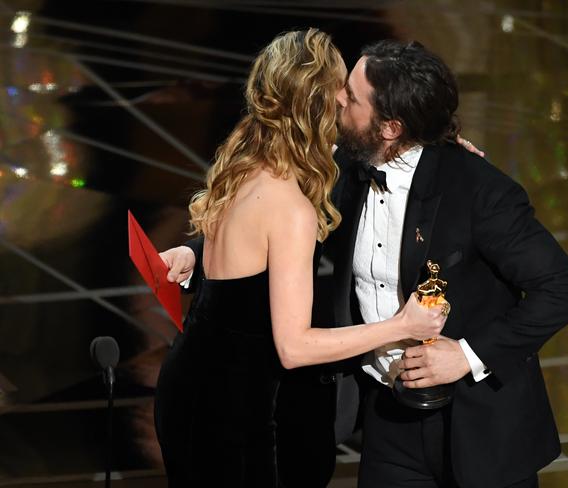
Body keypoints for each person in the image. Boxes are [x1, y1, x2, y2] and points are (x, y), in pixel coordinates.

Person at [163, 41, 568, 488]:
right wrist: (198, 254)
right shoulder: (343, 166)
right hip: (387, 424)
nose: (337, 100)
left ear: (390, 127)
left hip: (482, 427)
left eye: (350, 96)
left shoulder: (480, 191)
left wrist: (466, 355)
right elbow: (267, 216)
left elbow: (563, 290)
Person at [153, 30, 447, 488]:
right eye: (341, 90)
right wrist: (402, 327)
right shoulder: (290, 207)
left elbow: (241, 277)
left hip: (195, 387)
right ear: (321, 103)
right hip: (224, 413)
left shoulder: (249, 150)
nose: (346, 99)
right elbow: (293, 349)